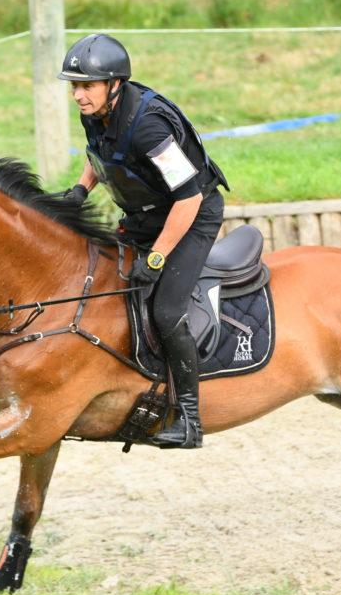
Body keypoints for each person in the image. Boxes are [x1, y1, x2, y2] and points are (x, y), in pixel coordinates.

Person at [58, 34, 228, 449]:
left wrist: (156, 259)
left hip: (191, 216)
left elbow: (187, 198)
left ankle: (189, 418)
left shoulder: (148, 126)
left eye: (87, 86)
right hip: (146, 215)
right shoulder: (96, 111)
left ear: (114, 84)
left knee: (167, 311)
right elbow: (102, 153)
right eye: (74, 86)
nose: (78, 95)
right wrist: (81, 188)